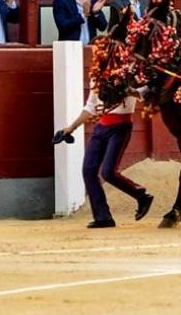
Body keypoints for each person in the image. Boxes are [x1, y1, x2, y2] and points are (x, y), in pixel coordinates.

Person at [54, 82, 154, 229]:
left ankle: (141, 196)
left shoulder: (128, 72)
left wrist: (130, 91)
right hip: (101, 127)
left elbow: (146, 92)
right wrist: (70, 128)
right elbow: (90, 107)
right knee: (88, 170)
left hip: (120, 127)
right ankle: (103, 217)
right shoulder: (97, 75)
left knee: (108, 172)